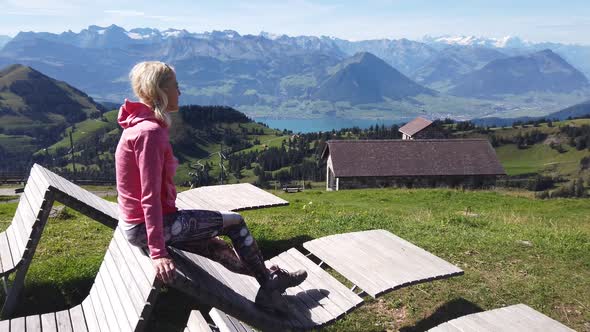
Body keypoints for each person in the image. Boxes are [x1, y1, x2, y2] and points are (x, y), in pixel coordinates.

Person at [114, 61, 306, 313]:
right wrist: (159, 253)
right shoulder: (149, 132)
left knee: (217, 248)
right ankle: (270, 287)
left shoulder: (138, 124)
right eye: (176, 86)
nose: (180, 93)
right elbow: (148, 197)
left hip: (140, 224)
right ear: (160, 91)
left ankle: (270, 278)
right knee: (235, 221)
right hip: (147, 226)